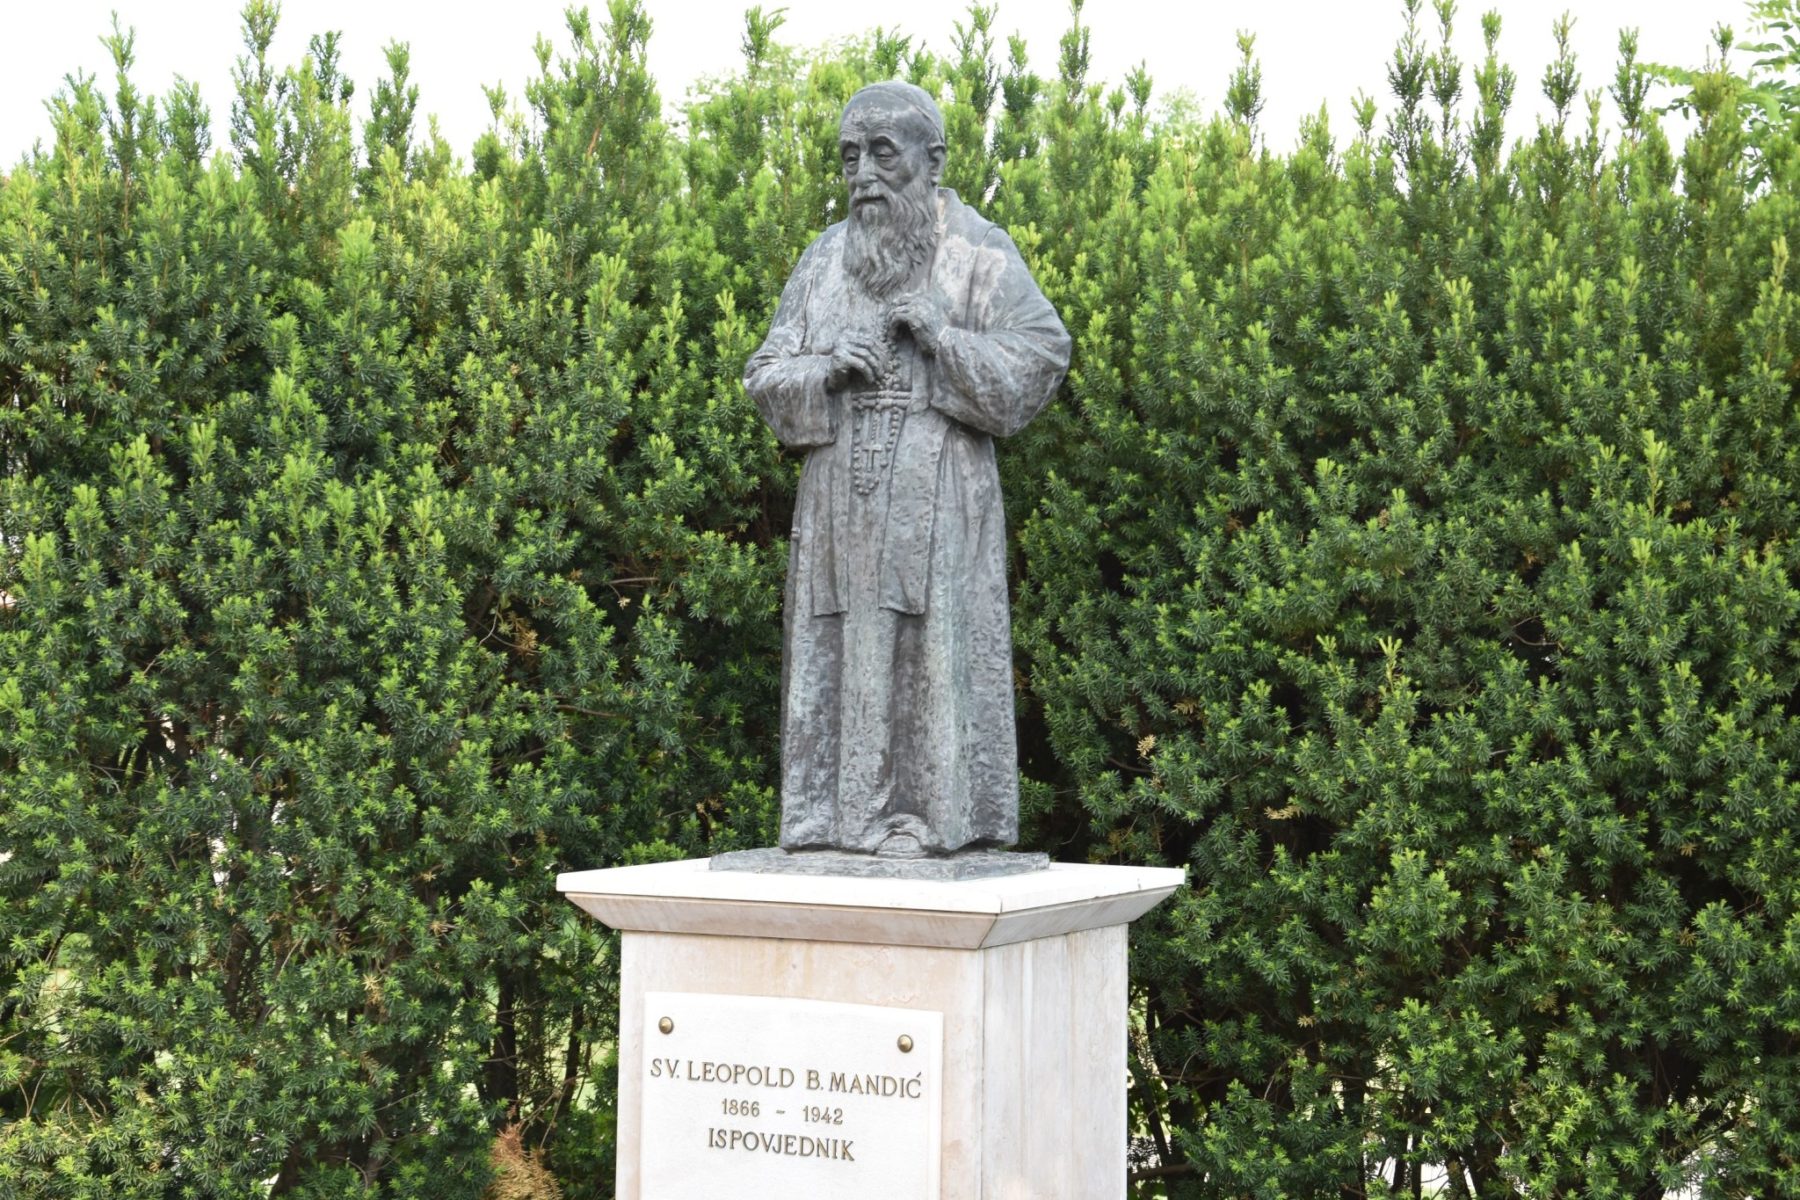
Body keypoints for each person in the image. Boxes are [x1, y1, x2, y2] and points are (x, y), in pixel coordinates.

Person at [744, 80, 1071, 858]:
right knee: (840, 653)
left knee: (937, 658)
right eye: (850, 156)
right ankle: (834, 821)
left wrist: (943, 337)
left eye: (882, 154)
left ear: (933, 160)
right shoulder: (823, 261)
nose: (863, 175)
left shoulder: (978, 255)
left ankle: (940, 820)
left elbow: (1041, 355)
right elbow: (765, 373)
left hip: (942, 507)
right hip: (840, 513)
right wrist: (825, 367)